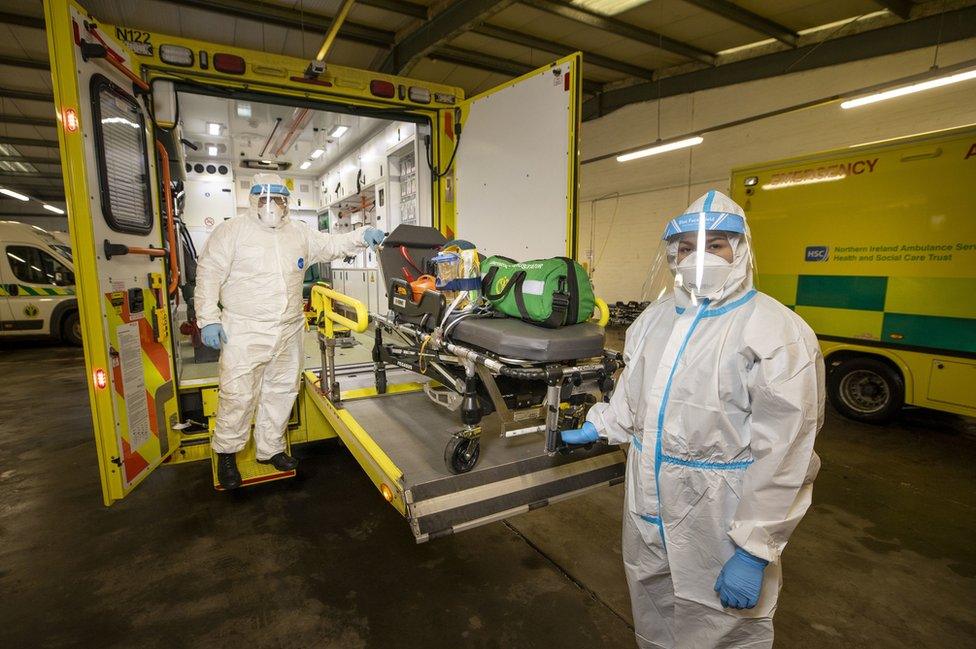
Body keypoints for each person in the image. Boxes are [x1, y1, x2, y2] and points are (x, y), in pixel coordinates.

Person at [562, 190, 824, 648]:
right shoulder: (655, 319)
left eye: (715, 244)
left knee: (722, 629)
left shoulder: (775, 330)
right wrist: (602, 424)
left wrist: (754, 548)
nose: (698, 256)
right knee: (653, 611)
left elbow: (787, 452)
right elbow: (634, 396)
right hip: (645, 505)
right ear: (672, 254)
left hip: (720, 516)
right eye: (686, 247)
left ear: (740, 250)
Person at [195, 173, 385, 489]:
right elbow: (208, 275)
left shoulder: (298, 233)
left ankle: (270, 450)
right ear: (253, 200)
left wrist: (362, 234)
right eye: (265, 199)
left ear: (287, 202)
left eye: (278, 199)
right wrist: (208, 318)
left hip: (289, 328)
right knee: (237, 394)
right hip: (244, 329)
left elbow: (332, 244)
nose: (272, 206)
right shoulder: (231, 232)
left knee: (282, 391)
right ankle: (227, 455)